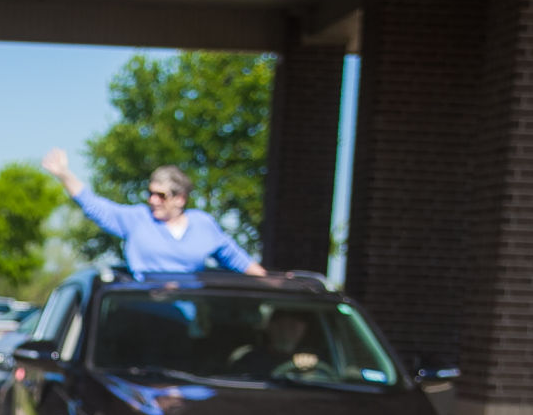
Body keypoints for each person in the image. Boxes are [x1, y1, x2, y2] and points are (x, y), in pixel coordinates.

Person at [41, 149, 267, 278]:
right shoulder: (138, 219)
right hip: (144, 316)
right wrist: (64, 174)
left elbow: (238, 260)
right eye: (150, 194)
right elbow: (95, 206)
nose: (152, 200)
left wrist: (272, 282)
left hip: (188, 324)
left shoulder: (203, 224)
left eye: (161, 195)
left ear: (180, 199)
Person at [226, 307, 322, 378]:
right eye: (280, 325)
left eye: (292, 326)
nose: (286, 332)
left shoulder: (317, 360)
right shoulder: (249, 359)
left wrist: (309, 374)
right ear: (269, 327)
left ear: (304, 329)